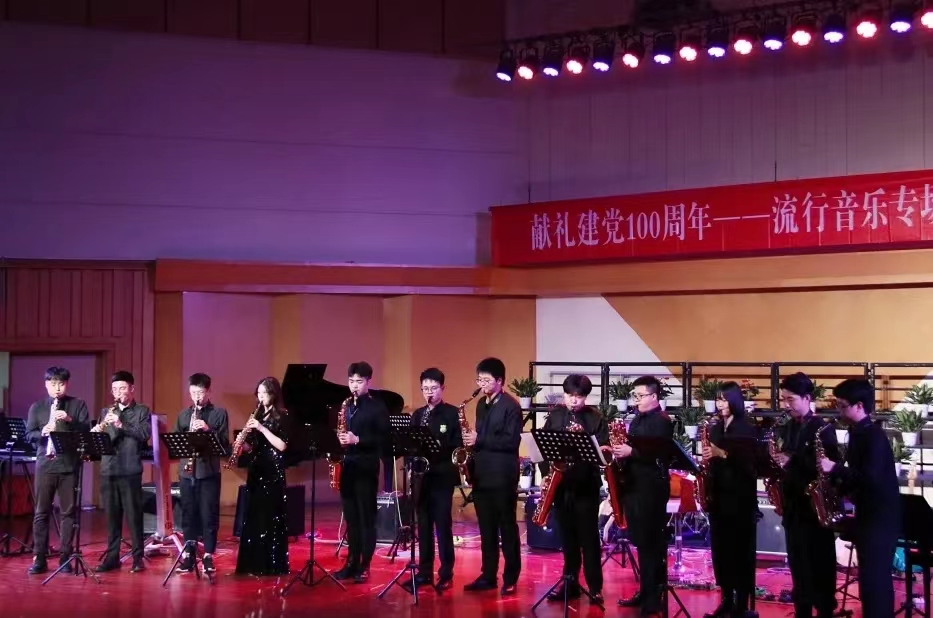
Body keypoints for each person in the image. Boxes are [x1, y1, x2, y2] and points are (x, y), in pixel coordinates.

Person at [819, 379, 899, 618]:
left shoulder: (873, 436)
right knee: (868, 583)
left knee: (876, 582)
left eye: (843, 406)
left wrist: (835, 469)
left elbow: (871, 479)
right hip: (867, 516)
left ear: (860, 406)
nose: (839, 411)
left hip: (880, 519)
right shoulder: (856, 433)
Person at [771, 372, 841, 618]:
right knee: (798, 564)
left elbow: (829, 468)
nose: (785, 405)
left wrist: (792, 461)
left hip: (815, 508)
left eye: (790, 399)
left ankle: (824, 609)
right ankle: (802, 610)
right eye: (783, 399)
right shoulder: (787, 426)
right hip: (793, 505)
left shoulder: (823, 429)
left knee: (819, 564)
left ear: (807, 398)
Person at [540, 374, 609, 605]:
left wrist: (585, 439)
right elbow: (544, 448)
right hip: (562, 486)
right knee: (567, 538)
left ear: (585, 397)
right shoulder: (556, 416)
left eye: (578, 396)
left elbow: (603, 455)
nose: (573, 401)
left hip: (585, 485)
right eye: (570, 395)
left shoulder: (595, 418)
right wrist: (546, 475)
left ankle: (595, 587)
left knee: (589, 539)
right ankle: (570, 583)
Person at [614, 375, 674, 617]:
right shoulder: (638, 418)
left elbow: (660, 455)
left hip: (651, 489)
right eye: (635, 396)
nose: (636, 400)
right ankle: (646, 591)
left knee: (651, 544)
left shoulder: (662, 421)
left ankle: (653, 598)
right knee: (641, 542)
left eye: (640, 396)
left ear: (654, 396)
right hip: (634, 486)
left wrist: (631, 452)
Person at [463, 357, 523, 596]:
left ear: (500, 381)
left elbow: (511, 441)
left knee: (507, 528)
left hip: (502, 475)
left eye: (486, 380)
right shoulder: (481, 404)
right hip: (482, 474)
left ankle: (511, 577)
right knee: (486, 529)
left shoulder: (512, 406)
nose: (482, 384)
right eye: (479, 380)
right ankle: (488, 575)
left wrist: (479, 439)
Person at [701, 381, 760, 618]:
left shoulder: (746, 429)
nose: (720, 404)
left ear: (735, 401)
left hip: (740, 499)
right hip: (719, 497)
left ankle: (741, 604)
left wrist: (721, 453)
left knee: (740, 552)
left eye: (724, 400)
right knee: (721, 551)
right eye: (718, 399)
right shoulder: (716, 428)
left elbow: (749, 465)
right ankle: (726, 598)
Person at [24, 366, 90, 575]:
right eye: (53, 384)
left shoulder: (77, 405)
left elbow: (86, 431)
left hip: (69, 466)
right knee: (41, 512)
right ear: (46, 385)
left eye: (61, 384)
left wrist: (70, 420)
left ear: (67, 384)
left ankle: (65, 558)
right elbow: (29, 435)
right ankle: (39, 558)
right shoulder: (37, 407)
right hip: (45, 465)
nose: (57, 388)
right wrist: (42, 432)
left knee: (68, 513)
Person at [402, 367, 462, 593]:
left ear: (442, 388)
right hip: (422, 477)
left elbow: (458, 445)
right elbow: (409, 444)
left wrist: (439, 446)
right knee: (424, 525)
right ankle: (424, 572)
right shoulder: (418, 414)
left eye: (433, 388)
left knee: (442, 525)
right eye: (425, 388)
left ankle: (446, 572)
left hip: (442, 475)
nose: (429, 392)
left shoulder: (452, 413)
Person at [333, 361, 390, 584]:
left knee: (366, 518)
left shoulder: (377, 407)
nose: (354, 385)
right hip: (348, 467)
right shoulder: (347, 406)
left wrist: (357, 439)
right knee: (351, 518)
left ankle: (365, 564)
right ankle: (351, 562)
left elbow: (384, 439)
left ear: (368, 382)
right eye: (351, 381)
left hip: (366, 467)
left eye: (359, 381)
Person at [94, 370, 152, 573]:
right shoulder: (105, 412)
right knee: (112, 517)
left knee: (134, 516)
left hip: (130, 469)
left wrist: (121, 424)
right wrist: (97, 433)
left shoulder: (142, 411)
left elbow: (144, 434)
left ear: (132, 389)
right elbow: (104, 441)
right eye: (115, 389)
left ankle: (138, 558)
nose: (118, 392)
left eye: (123, 388)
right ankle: (112, 558)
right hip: (108, 469)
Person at [174, 373, 230, 575]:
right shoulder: (183, 415)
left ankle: (207, 555)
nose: (196, 396)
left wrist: (208, 429)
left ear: (209, 391)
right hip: (187, 471)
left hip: (208, 471)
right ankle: (189, 555)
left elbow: (224, 445)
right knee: (188, 514)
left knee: (209, 514)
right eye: (193, 392)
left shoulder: (219, 413)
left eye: (200, 392)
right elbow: (175, 442)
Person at [235, 376, 290, 576]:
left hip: (272, 471)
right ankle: (252, 564)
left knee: (270, 516)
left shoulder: (283, 416)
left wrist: (261, 428)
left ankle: (270, 565)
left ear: (273, 394)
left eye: (264, 393)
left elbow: (282, 445)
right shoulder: (256, 414)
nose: (260, 397)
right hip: (256, 469)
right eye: (258, 393)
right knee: (254, 516)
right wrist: (242, 444)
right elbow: (254, 446)